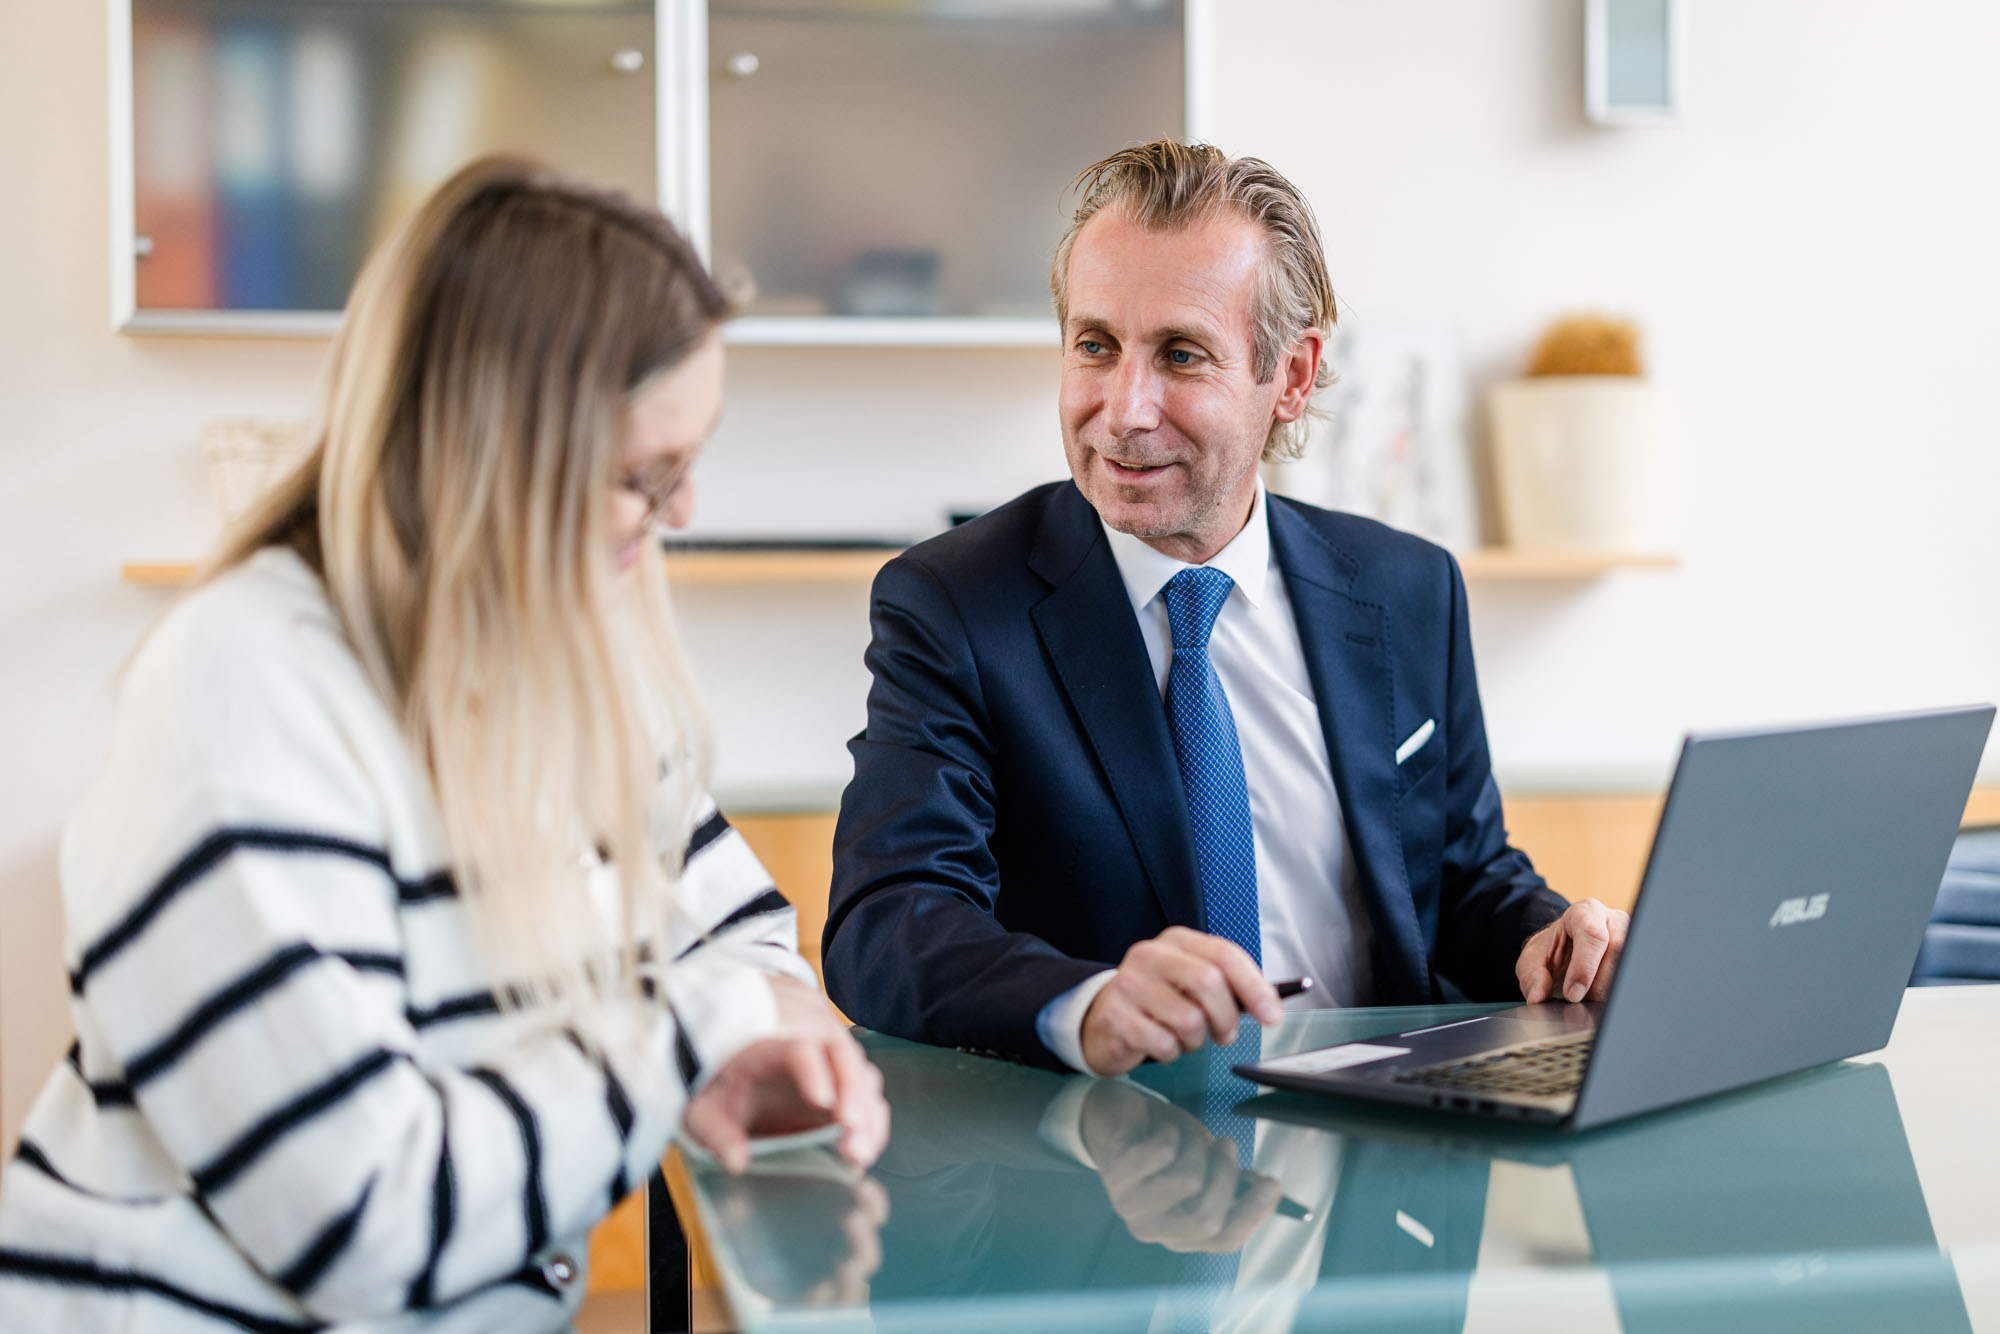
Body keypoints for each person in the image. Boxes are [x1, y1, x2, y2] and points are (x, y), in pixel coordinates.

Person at [0, 158, 886, 1332]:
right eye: (643, 474)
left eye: (688, 461)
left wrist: (760, 1038)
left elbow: (740, 937)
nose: (682, 514)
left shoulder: (565, 663)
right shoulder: (245, 692)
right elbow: (361, 1218)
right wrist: (698, 1036)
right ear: (486, 457)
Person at [823, 139, 1628, 1076]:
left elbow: (1462, 878)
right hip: (1100, 1168)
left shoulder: (1408, 589)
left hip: (1380, 1157)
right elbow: (889, 920)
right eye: (1095, 346)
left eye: (1180, 354)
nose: (1124, 408)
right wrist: (1087, 1005)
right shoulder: (954, 604)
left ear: (1289, 378)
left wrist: (1543, 939)